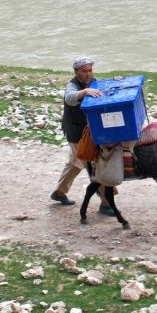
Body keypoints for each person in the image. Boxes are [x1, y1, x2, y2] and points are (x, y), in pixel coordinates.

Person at [50, 56, 113, 214]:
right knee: (96, 164)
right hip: (78, 133)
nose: (88, 74)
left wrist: (115, 81)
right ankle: (106, 202)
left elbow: (103, 90)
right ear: (76, 71)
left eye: (90, 70)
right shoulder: (72, 86)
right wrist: (84, 92)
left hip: (87, 132)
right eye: (84, 71)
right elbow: (70, 98)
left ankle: (59, 192)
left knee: (76, 162)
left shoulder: (93, 82)